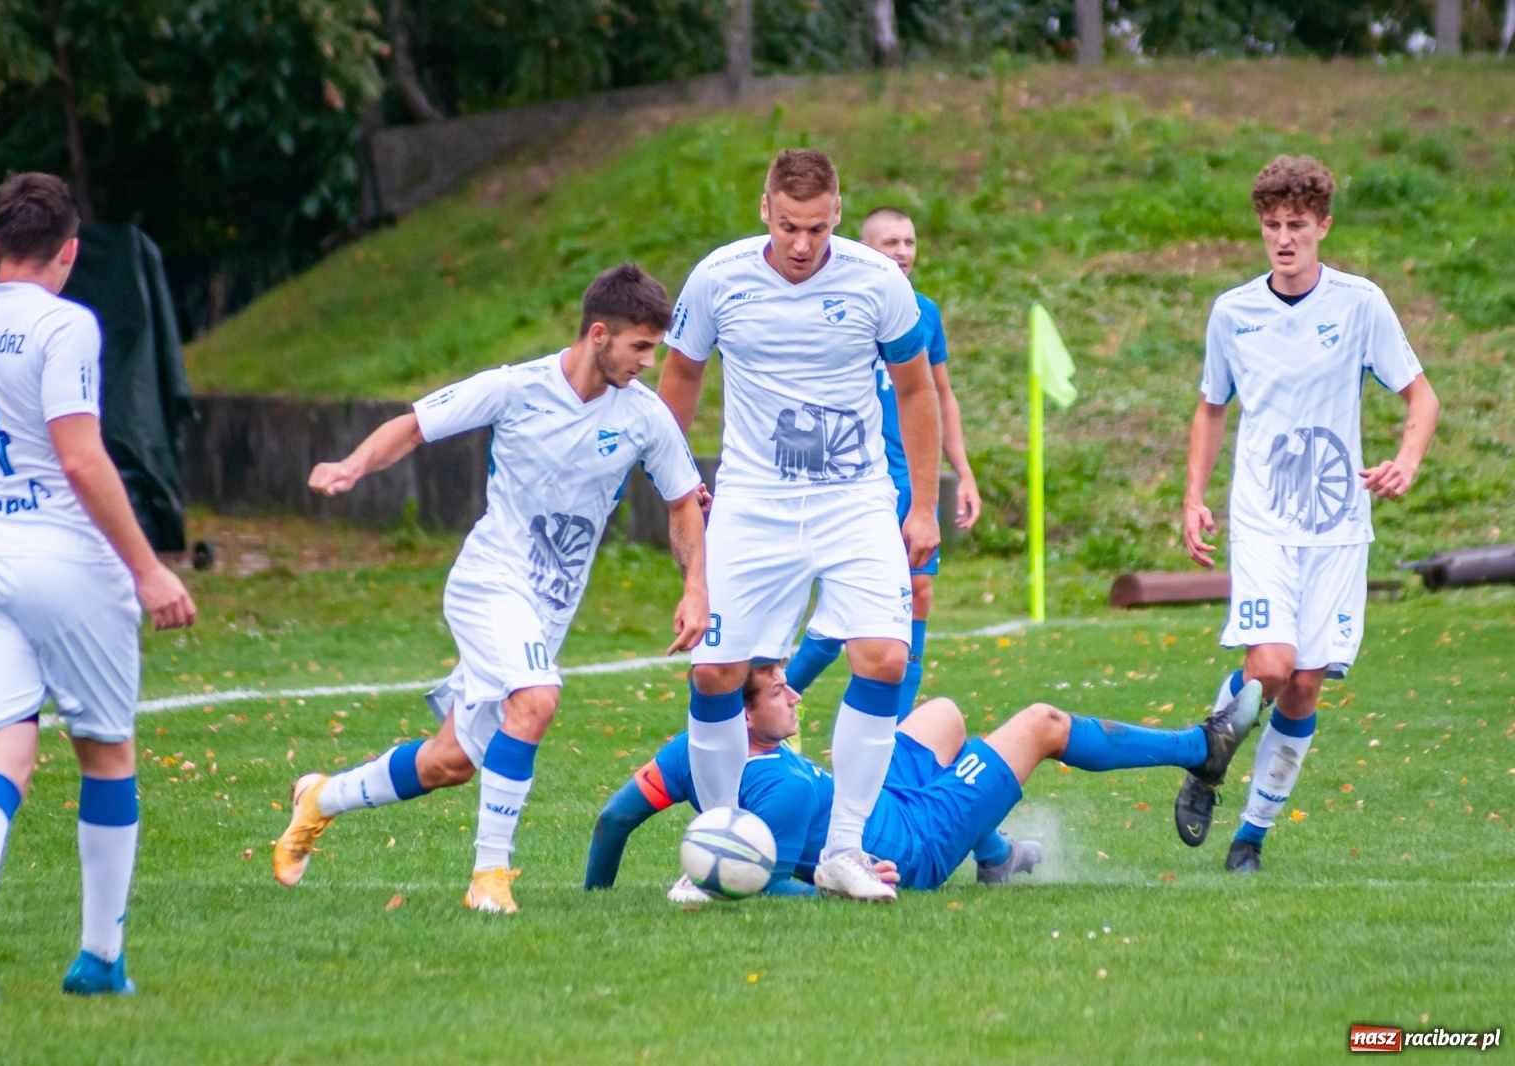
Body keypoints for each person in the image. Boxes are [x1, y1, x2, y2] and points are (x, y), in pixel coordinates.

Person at [272, 263, 708, 914]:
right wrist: (352, 465)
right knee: (535, 700)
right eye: (641, 347)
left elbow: (682, 504)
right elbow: (416, 424)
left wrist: (694, 588)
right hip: (489, 579)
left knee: (449, 762)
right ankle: (489, 879)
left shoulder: (645, 418)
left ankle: (319, 800)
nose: (651, 362)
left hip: (549, 608)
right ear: (598, 335)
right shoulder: (517, 388)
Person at [0, 173, 198, 1001]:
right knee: (105, 751)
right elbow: (79, 455)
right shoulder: (65, 325)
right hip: (66, 561)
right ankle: (99, 960)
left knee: (1, 755)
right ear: (70, 251)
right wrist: (148, 568)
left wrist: (0, 495)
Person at [658, 149, 942, 901]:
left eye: (816, 227)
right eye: (788, 226)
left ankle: (842, 851)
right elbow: (681, 374)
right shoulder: (719, 278)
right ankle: (722, 840)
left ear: (838, 215)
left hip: (854, 498)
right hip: (753, 498)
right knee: (716, 672)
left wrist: (923, 505)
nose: (802, 243)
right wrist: (677, 479)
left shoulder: (877, 282)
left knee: (883, 655)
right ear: (765, 211)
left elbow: (917, 391)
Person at [1175, 155, 1439, 873]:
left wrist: (1405, 462)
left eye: (1297, 226)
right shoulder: (1234, 312)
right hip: (1261, 517)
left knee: (1305, 683)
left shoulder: (1360, 305)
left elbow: (1422, 397)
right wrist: (1194, 497)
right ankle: (1206, 763)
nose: (1284, 239)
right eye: (1271, 226)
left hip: (1337, 527)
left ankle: (1249, 840)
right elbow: (1210, 407)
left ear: (1324, 226)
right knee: (1270, 664)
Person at [586, 663, 1265, 899]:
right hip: (911, 842)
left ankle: (996, 857)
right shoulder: (781, 794)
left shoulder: (691, 750)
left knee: (941, 715)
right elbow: (774, 885)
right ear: (744, 711)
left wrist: (598, 896)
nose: (795, 696)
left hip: (878, 797)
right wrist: (847, 882)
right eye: (777, 692)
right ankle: (1200, 748)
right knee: (1042, 723)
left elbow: (614, 821)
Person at [786, 206, 982, 721]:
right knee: (838, 615)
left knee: (917, 592)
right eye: (889, 242)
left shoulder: (924, 313)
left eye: (909, 242)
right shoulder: (835, 308)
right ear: (861, 249)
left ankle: (893, 733)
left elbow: (940, 396)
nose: (902, 252)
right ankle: (769, 700)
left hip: (905, 477)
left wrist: (962, 472)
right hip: (844, 476)